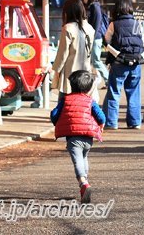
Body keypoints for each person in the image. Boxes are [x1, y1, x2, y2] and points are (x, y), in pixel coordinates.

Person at [50, 70, 105, 203]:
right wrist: (101, 125)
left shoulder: (65, 100)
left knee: (77, 160)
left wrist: (58, 122)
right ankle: (85, 179)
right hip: (88, 137)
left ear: (71, 85)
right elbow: (101, 116)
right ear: (89, 87)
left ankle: (83, 182)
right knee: (84, 157)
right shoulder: (90, 101)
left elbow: (54, 115)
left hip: (73, 137)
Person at [103, 0, 144, 130]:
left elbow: (106, 42)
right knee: (134, 92)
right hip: (136, 63)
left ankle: (111, 123)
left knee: (114, 92)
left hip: (119, 63)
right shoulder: (138, 23)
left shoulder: (113, 24)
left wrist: (117, 54)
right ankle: (135, 122)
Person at [48, 0, 96, 101]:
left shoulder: (68, 28)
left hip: (70, 75)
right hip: (85, 74)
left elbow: (62, 54)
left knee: (64, 106)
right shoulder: (90, 28)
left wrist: (55, 71)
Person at [83, 0, 109, 88]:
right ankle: (98, 78)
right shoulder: (92, 6)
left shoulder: (95, 6)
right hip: (94, 37)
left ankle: (108, 80)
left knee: (96, 61)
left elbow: (97, 23)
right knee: (93, 61)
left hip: (95, 37)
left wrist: (92, 36)